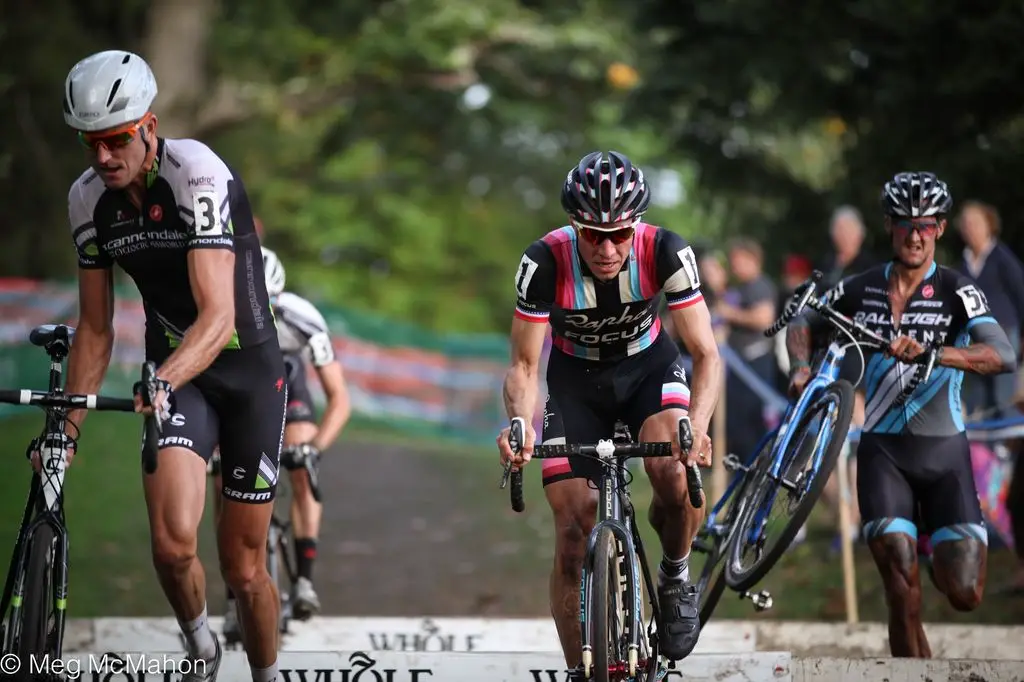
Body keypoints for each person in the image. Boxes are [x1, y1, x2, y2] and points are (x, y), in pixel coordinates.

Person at [62, 50, 286, 681]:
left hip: (247, 376)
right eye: (91, 144)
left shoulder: (198, 175)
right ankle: (203, 652)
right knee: (170, 546)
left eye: (116, 141)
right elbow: (97, 330)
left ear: (149, 127)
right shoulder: (87, 203)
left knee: (243, 569)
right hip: (175, 376)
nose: (104, 158)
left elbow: (218, 320)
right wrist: (66, 434)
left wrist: (162, 376)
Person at [496, 151, 721, 674]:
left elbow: (706, 354)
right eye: (592, 234)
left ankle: (674, 574)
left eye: (619, 234)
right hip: (577, 386)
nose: (606, 247)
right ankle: (581, 670)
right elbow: (525, 366)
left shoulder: (665, 251)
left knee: (673, 471)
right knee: (573, 530)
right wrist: (519, 425)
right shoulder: (544, 262)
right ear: (575, 226)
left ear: (635, 227)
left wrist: (701, 429)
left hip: (649, 373)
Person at [785, 171, 1016, 657]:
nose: (916, 235)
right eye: (906, 224)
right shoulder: (860, 287)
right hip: (883, 454)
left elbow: (1003, 354)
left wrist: (937, 353)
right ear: (889, 226)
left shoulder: (958, 290)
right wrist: (803, 369)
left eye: (927, 225)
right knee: (899, 584)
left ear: (941, 229)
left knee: (965, 593)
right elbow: (804, 321)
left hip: (944, 453)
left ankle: (940, 551)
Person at [216, 247, 352, 641]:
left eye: (268, 304)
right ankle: (231, 598)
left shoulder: (303, 318)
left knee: (302, 465)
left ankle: (305, 581)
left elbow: (339, 399)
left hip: (287, 382)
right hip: (238, 385)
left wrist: (315, 449)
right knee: (222, 479)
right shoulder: (218, 313)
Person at [953, 200, 1024, 419]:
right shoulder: (962, 265)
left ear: (988, 225)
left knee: (1003, 396)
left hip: (1003, 332)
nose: (970, 228)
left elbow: (1020, 294)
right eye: (966, 224)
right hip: (974, 337)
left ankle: (1005, 448)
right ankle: (984, 451)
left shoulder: (1002, 258)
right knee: (977, 398)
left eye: (975, 223)